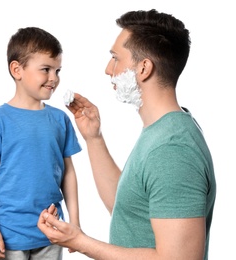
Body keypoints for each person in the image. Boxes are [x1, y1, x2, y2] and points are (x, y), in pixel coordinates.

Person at [37, 9, 216, 260]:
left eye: (115, 58)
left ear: (144, 68)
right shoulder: (162, 132)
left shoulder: (172, 149)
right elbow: (129, 210)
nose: (108, 69)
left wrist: (79, 241)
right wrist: (94, 138)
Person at [0, 27, 82, 260]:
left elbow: (68, 173)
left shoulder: (60, 119)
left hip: (51, 231)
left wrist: (75, 222)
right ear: (17, 70)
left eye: (57, 70)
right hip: (9, 235)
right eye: (46, 69)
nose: (54, 78)